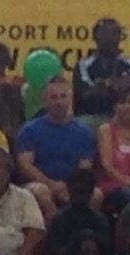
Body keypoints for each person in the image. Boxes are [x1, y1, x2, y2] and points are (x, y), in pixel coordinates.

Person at [15, 78, 96, 214]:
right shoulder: (29, 130)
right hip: (39, 184)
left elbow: (85, 166)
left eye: (63, 96)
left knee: (96, 195)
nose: (58, 102)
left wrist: (70, 187)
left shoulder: (84, 131)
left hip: (74, 186)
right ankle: (56, 229)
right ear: (45, 101)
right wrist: (51, 184)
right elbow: (25, 166)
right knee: (42, 192)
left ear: (71, 99)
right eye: (53, 97)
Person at [74, 18, 130, 120]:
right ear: (95, 37)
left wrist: (103, 86)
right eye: (104, 34)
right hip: (94, 116)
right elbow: (84, 96)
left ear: (120, 37)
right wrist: (115, 85)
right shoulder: (84, 64)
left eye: (114, 34)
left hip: (126, 118)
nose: (109, 38)